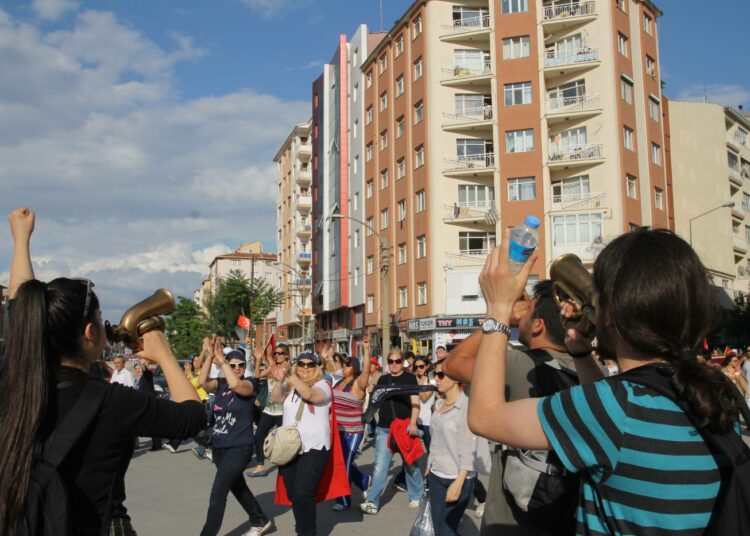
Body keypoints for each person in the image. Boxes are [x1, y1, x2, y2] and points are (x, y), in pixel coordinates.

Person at [468, 227, 740, 534]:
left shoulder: (614, 408)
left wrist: (498, 309)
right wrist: (582, 354)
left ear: (612, 313)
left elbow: (485, 417)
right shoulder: (711, 391)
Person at [0, 207, 206, 535]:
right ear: (89, 333)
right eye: (98, 318)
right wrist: (165, 357)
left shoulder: (14, 383)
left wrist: (20, 240)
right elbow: (193, 417)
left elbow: (21, 312)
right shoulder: (111, 401)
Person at [444, 281, 576, 535]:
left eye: (530, 309)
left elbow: (453, 364)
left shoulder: (518, 364)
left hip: (511, 522)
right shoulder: (588, 370)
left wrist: (501, 315)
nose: (523, 310)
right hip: (567, 514)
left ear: (538, 325)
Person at [198, 338, 272, 536]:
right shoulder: (221, 384)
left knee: (218, 493)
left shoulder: (250, 384)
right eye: (233, 365)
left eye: (241, 365)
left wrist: (222, 362)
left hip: (240, 447)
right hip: (220, 446)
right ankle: (260, 519)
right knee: (237, 486)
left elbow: (238, 386)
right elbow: (202, 382)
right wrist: (209, 356)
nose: (237, 368)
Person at [269, 351, 334, 536]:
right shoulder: (291, 386)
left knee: (303, 493)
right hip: (289, 448)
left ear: (317, 367)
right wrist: (280, 381)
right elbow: (276, 398)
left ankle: (308, 532)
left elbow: (312, 396)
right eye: (302, 364)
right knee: (294, 495)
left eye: (310, 364)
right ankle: (302, 529)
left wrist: (291, 376)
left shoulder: (324, 385)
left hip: (314, 447)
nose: (305, 368)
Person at [360, 348, 424, 515]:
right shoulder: (383, 379)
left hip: (404, 427)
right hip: (384, 429)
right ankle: (372, 501)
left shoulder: (410, 378)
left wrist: (413, 422)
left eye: (397, 361)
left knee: (410, 464)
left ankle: (417, 494)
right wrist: (371, 391)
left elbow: (415, 401)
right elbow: (376, 402)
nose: (394, 364)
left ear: (402, 362)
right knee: (380, 466)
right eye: (391, 361)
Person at [427, 362, 477, 535]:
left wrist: (458, 482)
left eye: (441, 375)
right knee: (439, 529)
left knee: (446, 531)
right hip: (436, 476)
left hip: (458, 478)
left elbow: (469, 448)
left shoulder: (466, 407)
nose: (436, 379)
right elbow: (435, 438)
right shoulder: (439, 404)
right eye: (435, 374)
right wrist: (429, 464)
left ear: (456, 378)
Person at [331, 334, 373, 510]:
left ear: (354, 367)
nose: (344, 366)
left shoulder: (358, 383)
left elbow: (365, 372)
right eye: (344, 363)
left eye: (347, 364)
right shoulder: (339, 381)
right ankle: (364, 481)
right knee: (339, 462)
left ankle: (343, 500)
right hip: (337, 429)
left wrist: (365, 349)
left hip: (353, 430)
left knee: (345, 463)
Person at [246, 343, 289, 477]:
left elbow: (279, 376)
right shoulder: (272, 368)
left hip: (283, 411)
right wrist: (259, 359)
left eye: (280, 353)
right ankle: (260, 466)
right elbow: (257, 375)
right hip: (269, 409)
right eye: (275, 353)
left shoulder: (289, 368)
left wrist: (269, 358)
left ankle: (286, 466)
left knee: (283, 440)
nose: (277, 355)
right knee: (259, 436)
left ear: (287, 355)